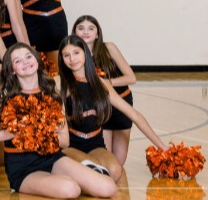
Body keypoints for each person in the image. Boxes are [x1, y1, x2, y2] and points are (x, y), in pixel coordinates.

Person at [0, 43, 117, 199]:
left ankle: (79, 173)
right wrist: (12, 133)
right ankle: (69, 178)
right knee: (70, 189)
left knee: (108, 188)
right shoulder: (2, 93)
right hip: (23, 167)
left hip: (52, 158)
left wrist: (39, 134)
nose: (25, 62)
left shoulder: (54, 94)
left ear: (37, 61)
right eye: (17, 61)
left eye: (29, 57)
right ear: (12, 69)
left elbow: (64, 141)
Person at [56, 35, 165, 182]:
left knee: (115, 171)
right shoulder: (59, 83)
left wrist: (163, 147)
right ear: (62, 59)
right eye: (66, 55)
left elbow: (135, 115)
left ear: (85, 54)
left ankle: (84, 178)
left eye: (76, 53)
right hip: (71, 146)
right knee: (93, 170)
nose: (72, 59)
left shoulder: (101, 83)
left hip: (95, 145)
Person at [72, 14, 140, 166]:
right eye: (81, 28)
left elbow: (131, 78)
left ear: (97, 33)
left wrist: (103, 82)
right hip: (102, 107)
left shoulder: (109, 48)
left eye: (91, 28)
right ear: (74, 32)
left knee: (120, 161)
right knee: (108, 161)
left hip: (122, 102)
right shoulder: (75, 56)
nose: (86, 32)